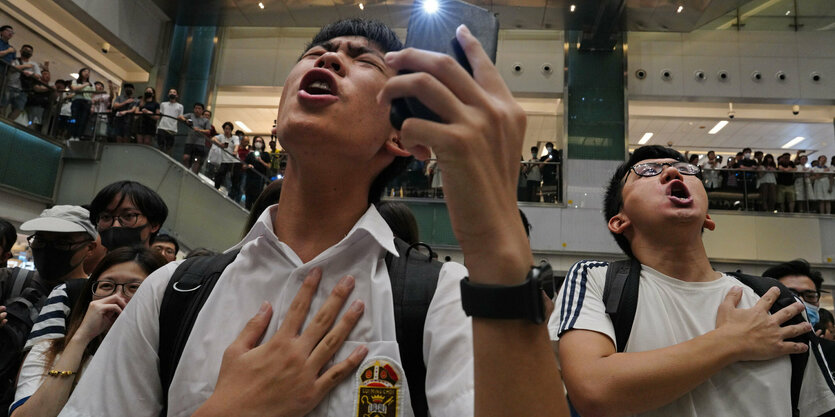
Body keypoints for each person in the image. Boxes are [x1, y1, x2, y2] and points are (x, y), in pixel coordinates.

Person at [59, 19, 479, 417]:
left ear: (400, 137)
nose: (328, 60)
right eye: (317, 52)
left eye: (365, 60)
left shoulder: (443, 298)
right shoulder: (170, 293)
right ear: (279, 119)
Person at [551, 145, 835, 417]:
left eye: (685, 169)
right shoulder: (597, 279)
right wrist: (730, 342)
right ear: (619, 220)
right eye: (647, 171)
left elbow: (818, 407)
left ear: (708, 218)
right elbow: (594, 391)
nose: (673, 173)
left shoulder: (773, 300)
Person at [10, 247, 165, 417]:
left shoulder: (165, 360)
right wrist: (81, 338)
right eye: (107, 286)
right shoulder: (48, 351)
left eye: (134, 287)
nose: (117, 297)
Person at [24, 181, 168, 350]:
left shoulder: (169, 289)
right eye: (106, 217)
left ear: (154, 224)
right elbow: (34, 367)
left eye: (128, 216)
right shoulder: (70, 294)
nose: (115, 225)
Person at [0, 206, 98, 413]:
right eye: (41, 241)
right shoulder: (10, 280)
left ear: (89, 248)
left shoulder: (93, 301)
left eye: (63, 243)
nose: (48, 250)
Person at [5, 44, 40, 123]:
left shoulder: (34, 64)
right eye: (25, 50)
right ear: (21, 51)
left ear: (32, 54)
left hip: (23, 89)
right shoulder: (15, 60)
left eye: (29, 51)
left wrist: (31, 74)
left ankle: (8, 122)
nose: (27, 52)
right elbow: (11, 68)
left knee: (19, 108)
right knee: (3, 105)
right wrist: (25, 66)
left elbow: (38, 76)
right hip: (9, 85)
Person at [208, 121, 240, 193]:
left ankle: (232, 193)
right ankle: (216, 189)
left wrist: (235, 151)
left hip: (233, 161)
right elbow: (213, 138)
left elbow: (236, 145)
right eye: (225, 129)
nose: (227, 131)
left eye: (229, 129)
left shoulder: (235, 138)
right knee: (220, 173)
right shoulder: (221, 137)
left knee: (233, 178)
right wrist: (220, 144)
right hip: (224, 161)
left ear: (231, 130)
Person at [242, 136, 271, 209]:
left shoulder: (266, 154)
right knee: (248, 199)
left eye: (260, 141)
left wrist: (261, 161)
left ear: (263, 144)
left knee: (257, 199)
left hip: (260, 180)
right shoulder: (250, 154)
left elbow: (269, 166)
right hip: (250, 179)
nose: (258, 143)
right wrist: (248, 166)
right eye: (256, 141)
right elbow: (243, 166)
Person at [181, 102, 211, 173]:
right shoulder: (190, 115)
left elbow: (208, 131)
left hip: (200, 143)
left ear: (202, 110)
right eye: (196, 108)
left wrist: (199, 130)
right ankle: (186, 171)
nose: (197, 110)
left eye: (199, 108)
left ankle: (193, 175)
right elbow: (180, 117)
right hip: (190, 141)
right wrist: (186, 120)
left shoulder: (205, 120)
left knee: (196, 160)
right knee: (186, 157)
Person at [68, 69, 94, 141]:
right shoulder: (75, 81)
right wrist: (85, 84)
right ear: (80, 73)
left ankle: (78, 136)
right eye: (85, 71)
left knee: (83, 119)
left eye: (88, 72)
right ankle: (72, 135)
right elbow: (74, 88)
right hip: (77, 101)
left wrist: (92, 106)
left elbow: (92, 95)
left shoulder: (91, 84)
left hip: (87, 102)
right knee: (74, 118)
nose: (87, 73)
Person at [156, 88, 183, 154]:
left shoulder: (180, 106)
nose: (172, 93)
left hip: (172, 129)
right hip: (162, 127)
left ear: (177, 95)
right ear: (168, 94)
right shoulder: (163, 104)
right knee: (160, 146)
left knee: (169, 147)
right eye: (170, 92)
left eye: (174, 92)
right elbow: (160, 115)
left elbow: (180, 116)